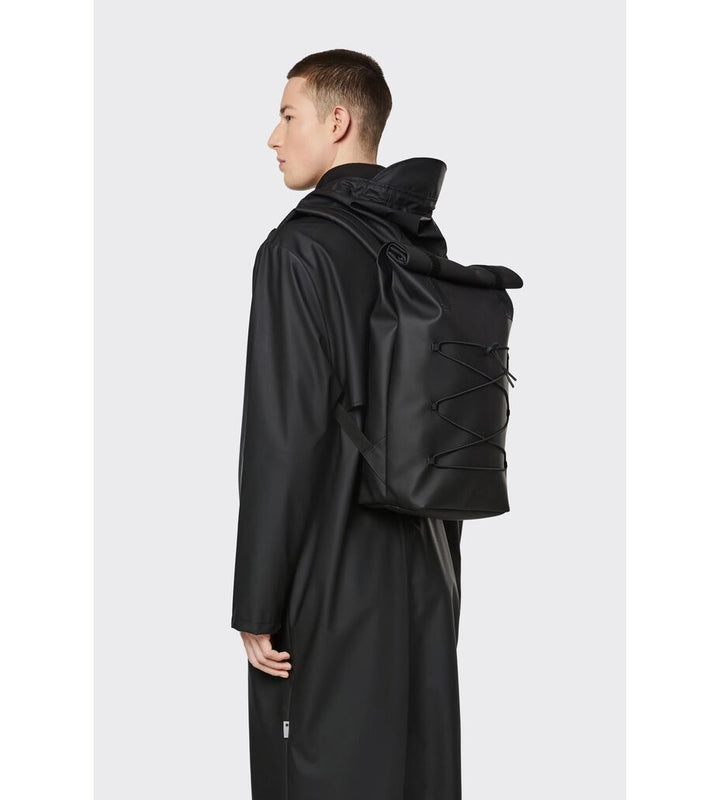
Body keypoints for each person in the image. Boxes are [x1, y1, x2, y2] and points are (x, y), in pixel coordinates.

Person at [231, 48, 463, 800]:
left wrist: (257, 601)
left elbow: (284, 438)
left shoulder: (298, 250)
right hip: (427, 570)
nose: (274, 137)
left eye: (287, 115)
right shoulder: (420, 244)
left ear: (337, 122)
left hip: (328, 578)